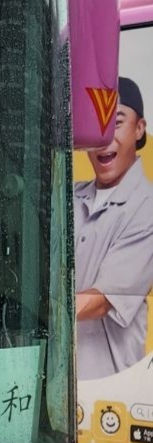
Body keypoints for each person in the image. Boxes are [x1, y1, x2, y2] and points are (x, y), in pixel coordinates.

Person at [74, 76, 153, 380]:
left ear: (139, 128)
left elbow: (101, 301)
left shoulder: (146, 206)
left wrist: (34, 312)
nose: (104, 139)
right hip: (59, 379)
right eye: (96, 126)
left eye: (116, 123)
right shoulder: (68, 197)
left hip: (112, 385)